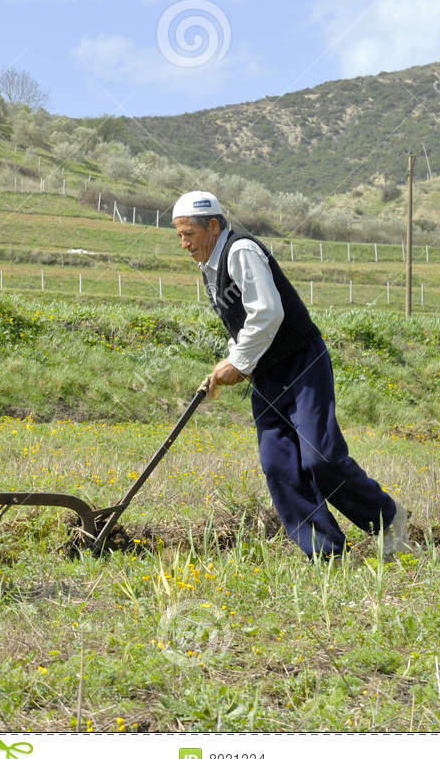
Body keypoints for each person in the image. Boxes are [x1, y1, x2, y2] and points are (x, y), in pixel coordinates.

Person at [171, 190, 411, 560]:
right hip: (267, 376)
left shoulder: (240, 252)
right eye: (180, 236)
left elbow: (268, 312)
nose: (184, 244)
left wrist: (237, 361)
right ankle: (328, 554)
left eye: (189, 234)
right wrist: (239, 362)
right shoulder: (210, 266)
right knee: (278, 465)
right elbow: (248, 321)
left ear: (214, 226)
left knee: (320, 459)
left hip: (301, 363)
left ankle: (388, 519)